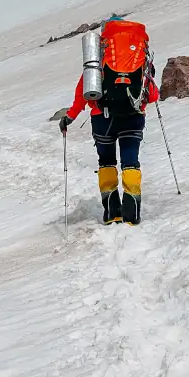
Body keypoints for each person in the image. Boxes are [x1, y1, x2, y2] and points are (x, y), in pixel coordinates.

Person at [59, 17, 159, 225]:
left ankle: (112, 213)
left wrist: (69, 117)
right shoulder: (138, 57)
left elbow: (83, 93)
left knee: (106, 162)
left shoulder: (99, 61)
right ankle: (132, 215)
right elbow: (153, 95)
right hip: (133, 118)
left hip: (103, 120)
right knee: (130, 162)